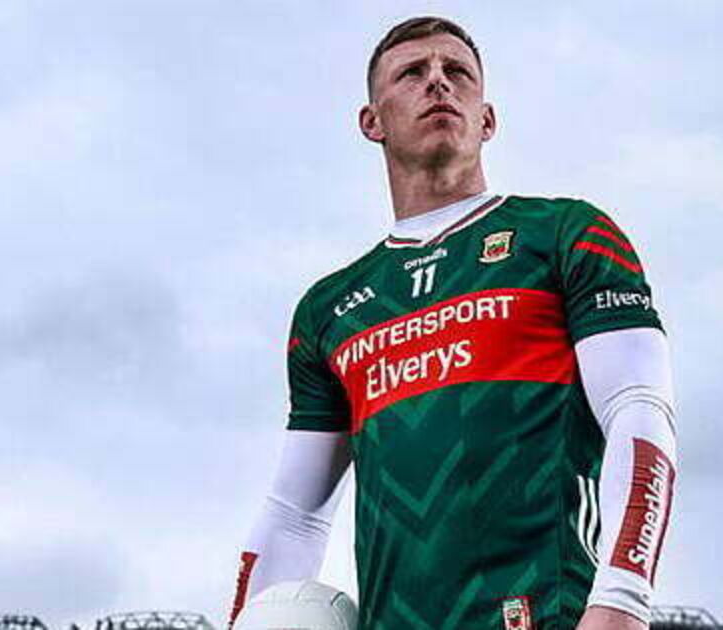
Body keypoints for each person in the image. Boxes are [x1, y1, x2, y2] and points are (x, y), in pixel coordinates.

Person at [229, 16, 678, 630]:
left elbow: (638, 408)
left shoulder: (564, 233)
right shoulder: (329, 308)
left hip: (549, 615)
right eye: (413, 72)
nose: (438, 82)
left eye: (457, 72)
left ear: (486, 119)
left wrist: (623, 598)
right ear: (372, 122)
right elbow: (294, 514)